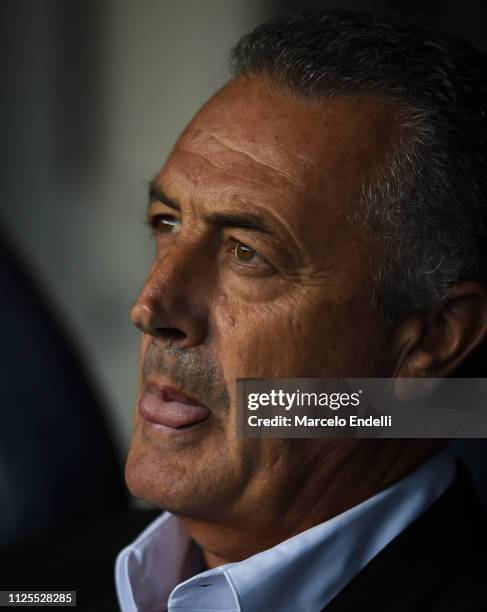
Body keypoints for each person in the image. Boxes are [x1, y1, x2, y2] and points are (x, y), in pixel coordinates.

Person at [118, 9, 487, 611]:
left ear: (434, 337)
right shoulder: (38, 578)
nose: (151, 305)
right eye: (167, 222)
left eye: (247, 253)